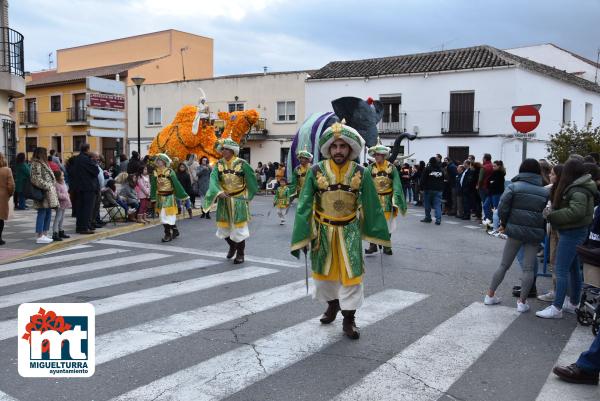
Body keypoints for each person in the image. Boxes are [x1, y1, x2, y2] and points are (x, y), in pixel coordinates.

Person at [290, 121, 391, 340]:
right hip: (322, 231)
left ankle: (349, 319)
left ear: (350, 148)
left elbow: (372, 205)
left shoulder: (362, 172)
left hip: (350, 231)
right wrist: (303, 235)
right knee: (324, 278)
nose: (338, 150)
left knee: (351, 277)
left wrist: (379, 233)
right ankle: (333, 305)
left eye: (342, 146)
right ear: (328, 148)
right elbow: (305, 204)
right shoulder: (315, 171)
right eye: (334, 146)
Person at [537, 157, 598, 318]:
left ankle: (557, 308)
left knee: (561, 269)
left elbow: (575, 212)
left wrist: (552, 215)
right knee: (573, 269)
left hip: (572, 233)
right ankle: (573, 303)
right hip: (575, 232)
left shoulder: (578, 189)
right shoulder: (581, 187)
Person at [484, 159, 548, 312]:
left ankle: (490, 295)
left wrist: (504, 224)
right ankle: (522, 302)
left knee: (504, 265)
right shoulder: (544, 191)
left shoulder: (513, 187)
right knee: (528, 269)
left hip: (514, 231)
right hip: (534, 233)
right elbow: (544, 213)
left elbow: (502, 208)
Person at [202, 139, 258, 264]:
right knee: (224, 230)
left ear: (232, 151)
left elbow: (252, 180)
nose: (223, 151)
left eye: (226, 149)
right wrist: (218, 192)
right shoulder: (218, 164)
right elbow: (213, 179)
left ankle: (240, 253)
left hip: (238, 201)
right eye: (222, 149)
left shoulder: (242, 164)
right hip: (224, 200)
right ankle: (232, 246)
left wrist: (248, 195)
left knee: (239, 230)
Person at [364, 141, 406, 255]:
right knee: (373, 224)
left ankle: (387, 247)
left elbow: (397, 183)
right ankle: (373, 246)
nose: (376, 156)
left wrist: (396, 198)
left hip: (387, 199)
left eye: (378, 154)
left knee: (386, 224)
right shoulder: (370, 168)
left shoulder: (391, 168)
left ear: (383, 155)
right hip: (374, 200)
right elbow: (365, 184)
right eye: (375, 154)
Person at [151, 153, 190, 242]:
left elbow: (176, 184)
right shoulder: (155, 172)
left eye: (160, 160)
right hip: (160, 198)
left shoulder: (170, 172)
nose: (158, 162)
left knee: (169, 216)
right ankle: (174, 230)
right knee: (162, 216)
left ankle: (167, 234)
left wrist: (183, 195)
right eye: (157, 160)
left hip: (169, 197)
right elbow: (153, 186)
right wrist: (153, 198)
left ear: (164, 162)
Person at [68, 144, 100, 234]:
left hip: (78, 187)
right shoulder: (86, 159)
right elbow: (95, 171)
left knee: (80, 208)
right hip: (88, 187)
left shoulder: (76, 159)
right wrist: (94, 163)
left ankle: (79, 226)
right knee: (88, 208)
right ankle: (85, 227)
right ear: (87, 150)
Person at [30, 147, 59, 244]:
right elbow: (35, 178)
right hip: (42, 192)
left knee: (48, 212)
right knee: (42, 212)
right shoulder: (36, 163)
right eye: (45, 153)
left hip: (47, 192)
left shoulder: (43, 163)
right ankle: (40, 235)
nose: (46, 154)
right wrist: (48, 186)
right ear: (41, 153)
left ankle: (45, 233)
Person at [420, 156, 445, 225]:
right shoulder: (441, 169)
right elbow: (443, 179)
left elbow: (423, 179)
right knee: (437, 205)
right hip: (439, 190)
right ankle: (438, 219)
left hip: (428, 189)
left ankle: (428, 218)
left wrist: (421, 188)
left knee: (427, 204)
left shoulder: (427, 169)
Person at [0, 153, 15, 246]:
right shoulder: (7, 170)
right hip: (2, 196)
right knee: (0, 218)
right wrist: (9, 194)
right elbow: (11, 185)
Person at [52, 170, 71, 241]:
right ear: (58, 177)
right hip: (60, 204)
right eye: (62, 176)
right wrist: (66, 196)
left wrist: (67, 194)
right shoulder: (56, 185)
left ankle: (61, 231)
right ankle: (55, 233)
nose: (63, 177)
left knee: (62, 218)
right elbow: (58, 195)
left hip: (64, 203)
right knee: (58, 218)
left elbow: (66, 190)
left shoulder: (63, 183)